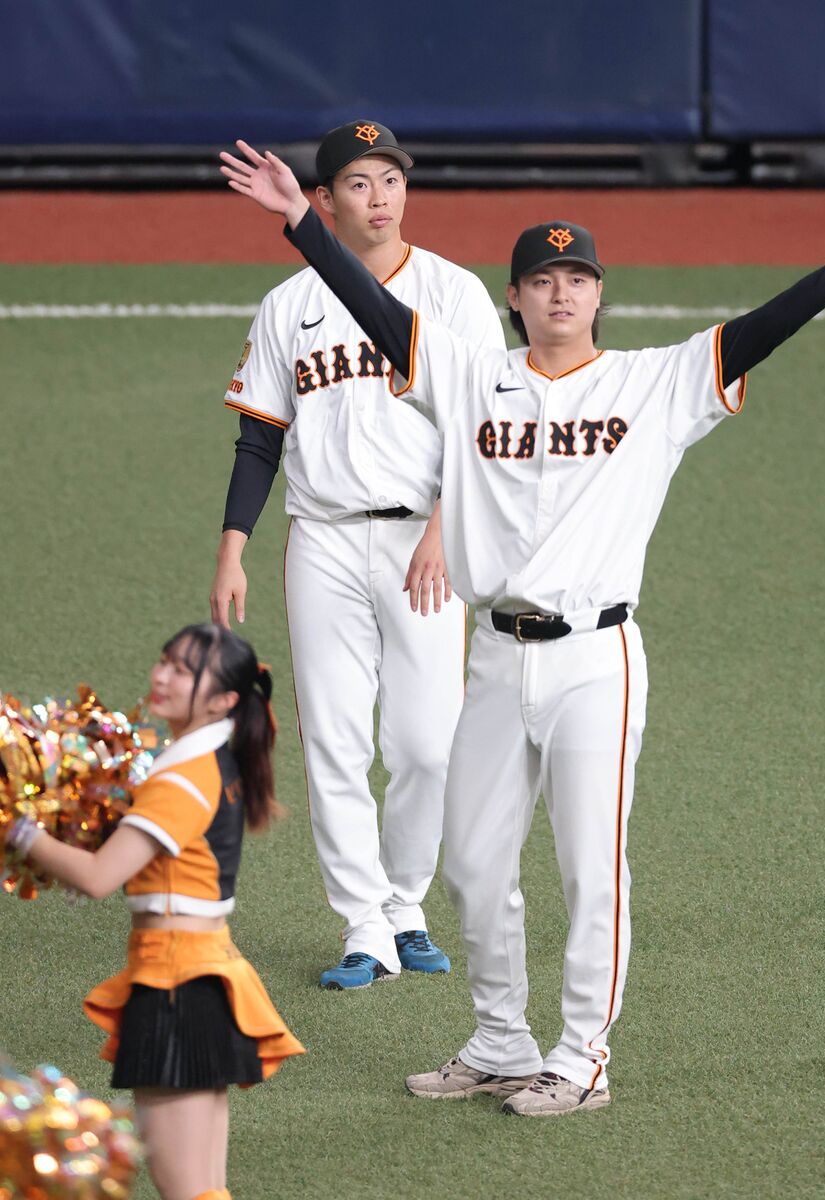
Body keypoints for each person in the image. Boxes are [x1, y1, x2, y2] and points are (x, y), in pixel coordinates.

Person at [220, 141, 825, 1115]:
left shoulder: (655, 384)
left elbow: (760, 331)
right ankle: (500, 1039)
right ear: (514, 298)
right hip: (495, 656)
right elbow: (376, 312)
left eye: (576, 278)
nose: (560, 292)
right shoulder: (468, 374)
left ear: (599, 295)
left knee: (588, 869)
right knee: (473, 864)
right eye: (541, 279)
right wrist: (298, 222)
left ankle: (580, 1056)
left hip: (594, 663)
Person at [210, 121, 506, 989]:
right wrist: (233, 549)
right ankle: (365, 926)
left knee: (426, 744)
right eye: (359, 183)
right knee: (335, 740)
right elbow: (259, 440)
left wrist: (445, 526)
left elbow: (485, 427)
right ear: (324, 199)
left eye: (392, 179)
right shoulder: (288, 306)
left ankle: (406, 903)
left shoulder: (454, 294)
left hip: (425, 540)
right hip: (324, 542)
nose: (380, 198)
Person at [6, 623, 304, 1197]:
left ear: (222, 700)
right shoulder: (210, 761)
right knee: (204, 1189)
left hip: (176, 989)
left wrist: (18, 830)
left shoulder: (182, 779)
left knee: (188, 1192)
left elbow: (98, 878)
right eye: (165, 661)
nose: (162, 676)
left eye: (184, 671)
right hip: (197, 978)